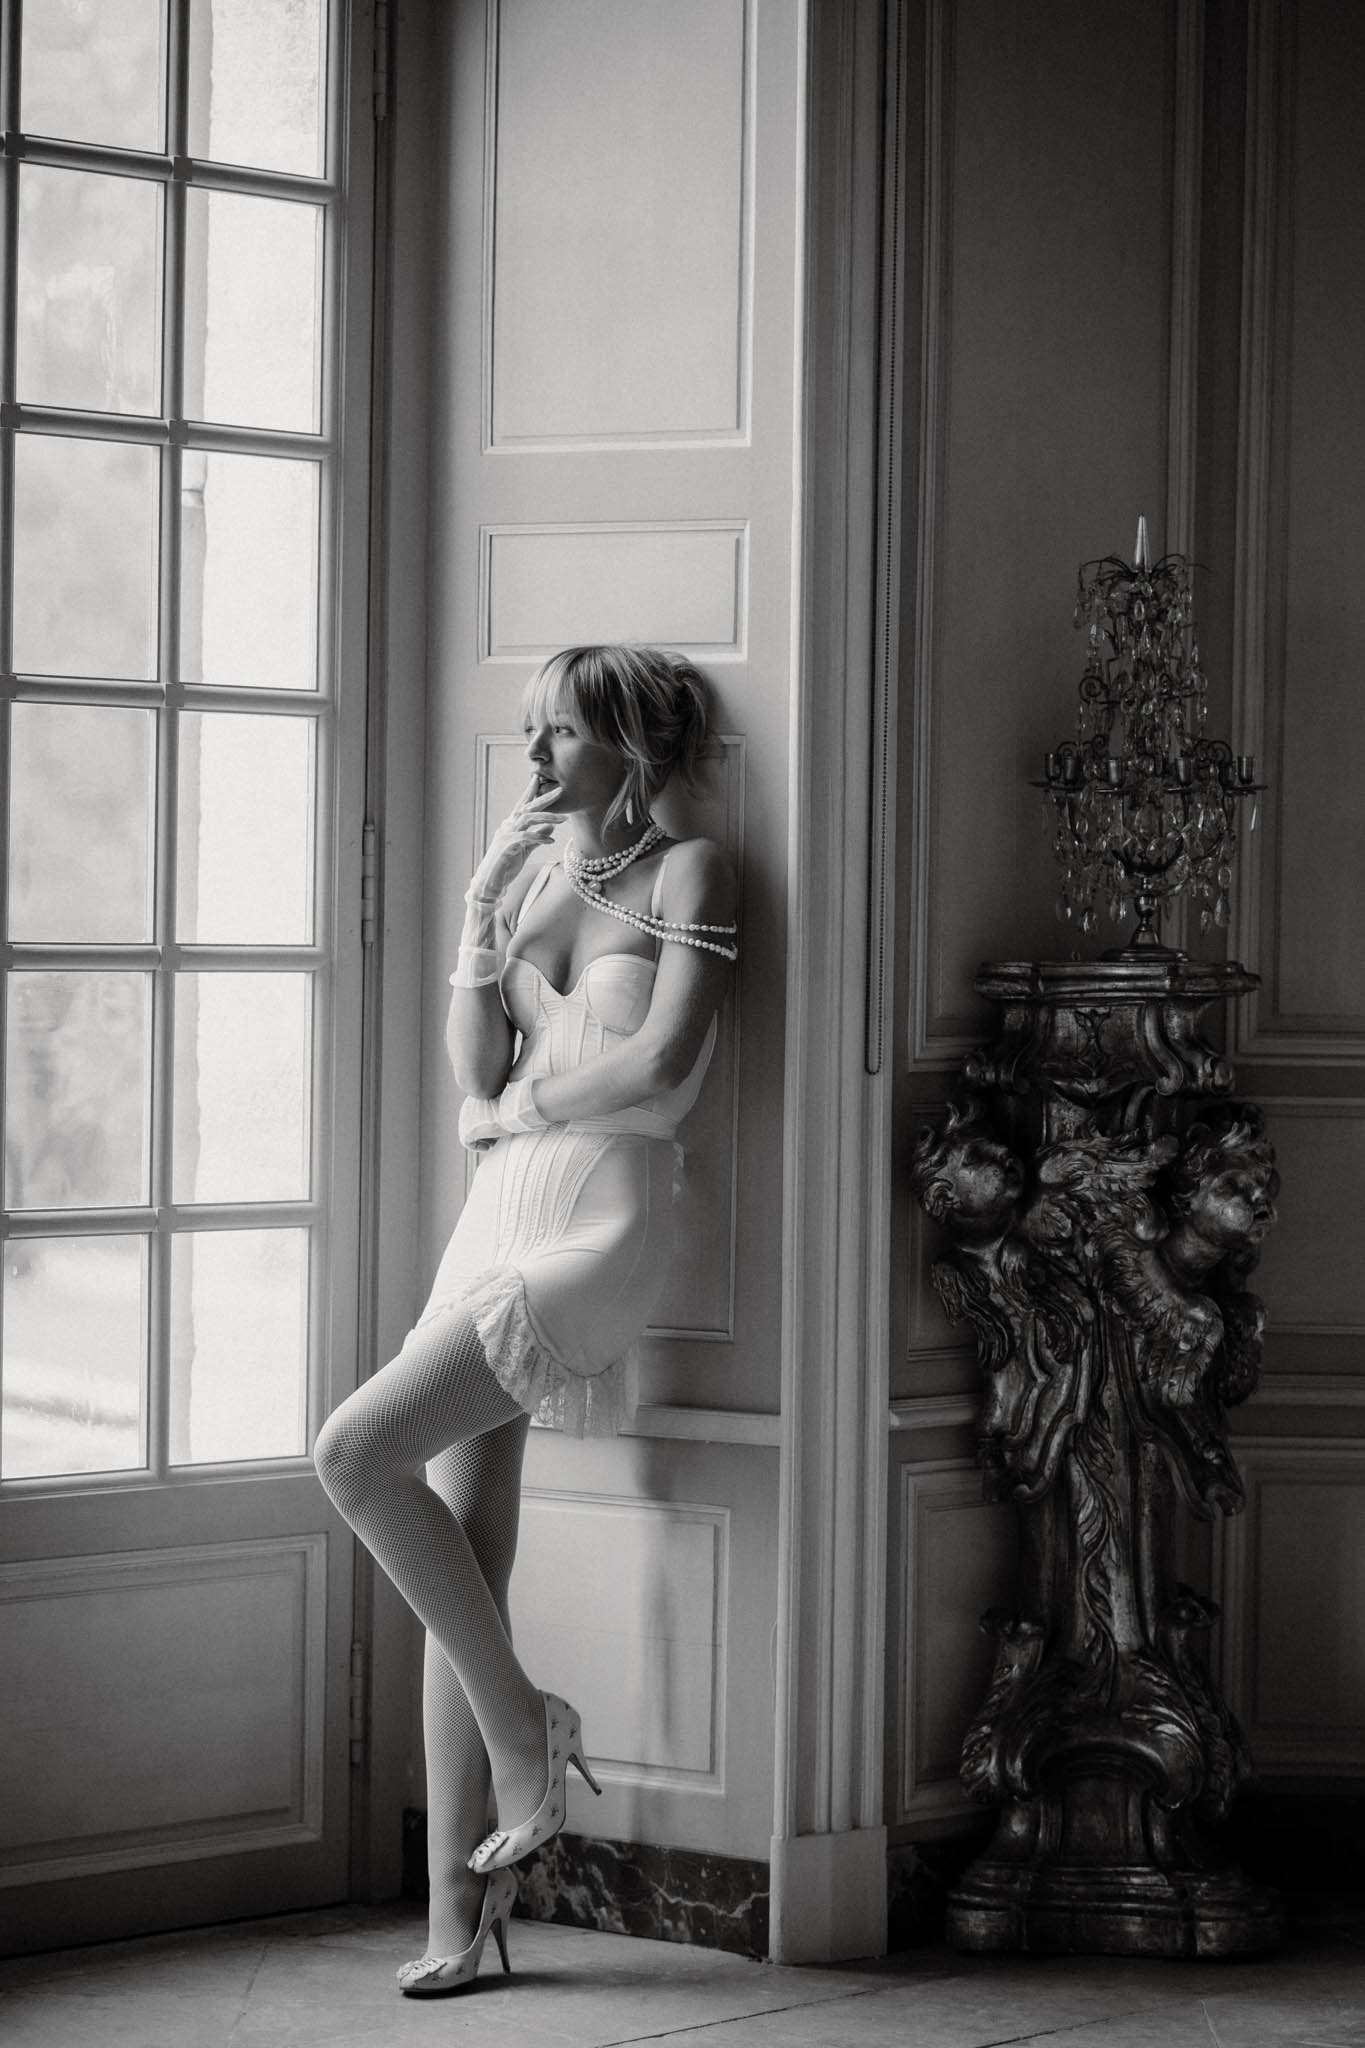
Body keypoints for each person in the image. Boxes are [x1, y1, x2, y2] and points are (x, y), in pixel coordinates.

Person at [313, 644, 737, 1996]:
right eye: (531, 735)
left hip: (602, 1217)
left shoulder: (693, 873)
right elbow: (473, 1067)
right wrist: (477, 910)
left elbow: (661, 1057)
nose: (536, 762)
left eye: (559, 736)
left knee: (352, 1452)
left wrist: (521, 1112)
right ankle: (462, 1912)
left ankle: (524, 1726)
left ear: (634, 745)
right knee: (461, 1572)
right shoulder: (539, 876)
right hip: (493, 1214)